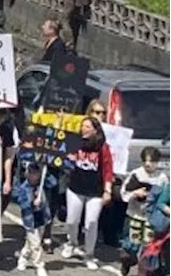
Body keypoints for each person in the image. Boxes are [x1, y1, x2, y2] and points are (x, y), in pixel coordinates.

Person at [62, 116, 113, 270]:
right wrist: (68, 158)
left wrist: (107, 191)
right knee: (72, 220)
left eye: (88, 127)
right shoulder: (75, 142)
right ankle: (72, 243)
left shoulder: (102, 147)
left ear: (95, 130)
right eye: (82, 126)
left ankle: (89, 254)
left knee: (91, 223)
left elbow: (108, 170)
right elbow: (63, 158)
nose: (83, 129)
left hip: (95, 191)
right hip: (75, 188)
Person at [122, 148, 167, 274]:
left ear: (157, 162)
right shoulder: (136, 174)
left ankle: (143, 271)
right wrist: (135, 193)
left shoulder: (162, 178)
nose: (148, 164)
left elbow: (165, 196)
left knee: (148, 246)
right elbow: (123, 192)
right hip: (134, 214)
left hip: (151, 218)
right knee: (131, 244)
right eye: (145, 161)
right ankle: (128, 261)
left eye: (152, 161)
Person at [13, 161, 54, 276]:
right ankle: (39, 265)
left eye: (36, 173)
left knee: (31, 242)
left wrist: (47, 172)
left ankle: (23, 257)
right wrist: (32, 202)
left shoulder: (42, 183)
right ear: (27, 174)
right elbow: (20, 201)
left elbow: (53, 183)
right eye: (31, 173)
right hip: (30, 219)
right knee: (35, 244)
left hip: (42, 217)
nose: (33, 176)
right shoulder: (23, 187)